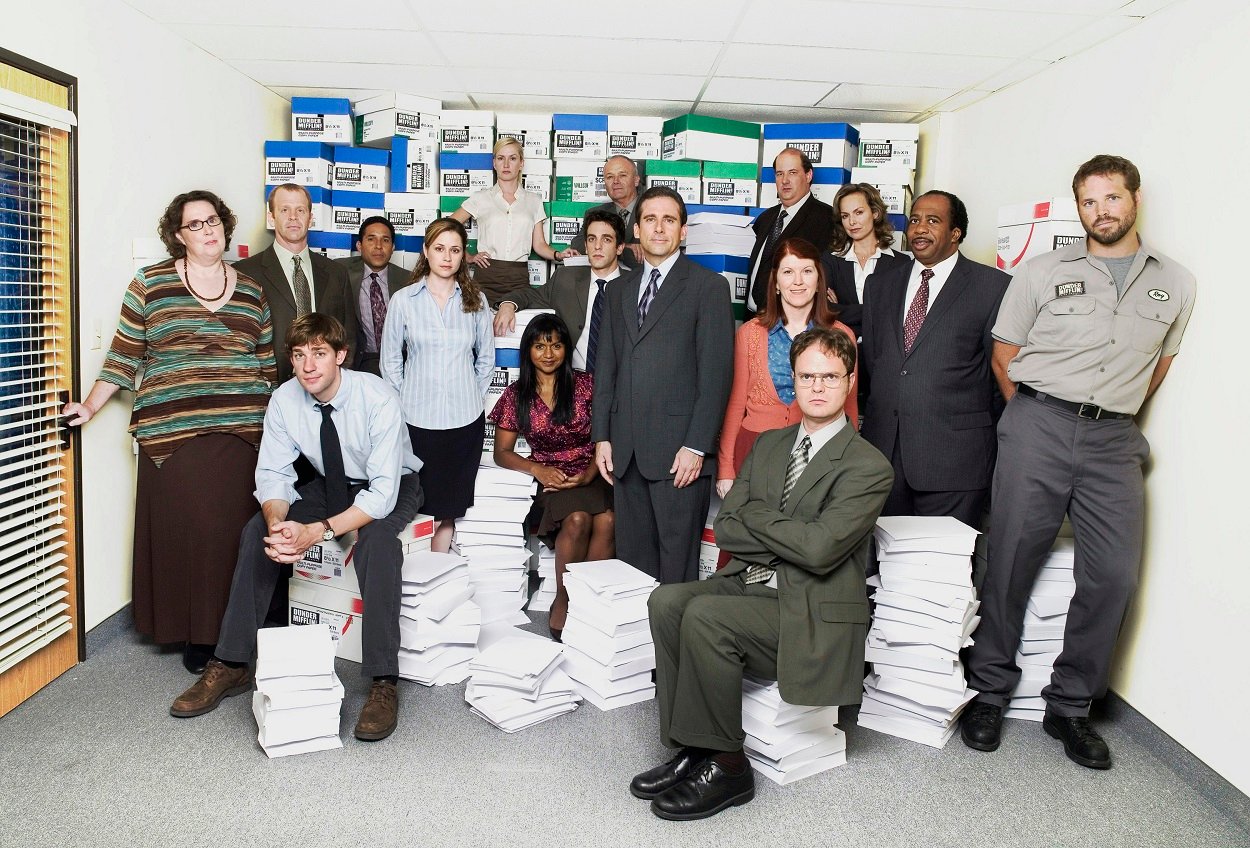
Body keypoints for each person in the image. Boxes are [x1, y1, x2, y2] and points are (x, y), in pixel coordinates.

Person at [961, 155, 1196, 770]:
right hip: (1038, 424)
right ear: (1079, 208)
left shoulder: (1176, 282)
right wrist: (1036, 419)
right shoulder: (1040, 273)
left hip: (1114, 441)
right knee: (1010, 559)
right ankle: (989, 691)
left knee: (1113, 576)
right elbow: (1003, 354)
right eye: (1090, 202)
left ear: (1134, 199)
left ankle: (1069, 707)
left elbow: (1156, 368)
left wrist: (1106, 414)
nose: (1102, 212)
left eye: (1112, 198)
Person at [632, 328, 893, 821]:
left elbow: (819, 551)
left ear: (850, 381)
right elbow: (728, 529)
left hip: (807, 610)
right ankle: (694, 745)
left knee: (708, 615)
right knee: (666, 601)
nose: (817, 386)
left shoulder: (867, 466)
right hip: (749, 587)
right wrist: (783, 530)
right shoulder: (771, 445)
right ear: (792, 382)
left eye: (830, 376)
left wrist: (760, 520)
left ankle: (730, 766)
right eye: (807, 376)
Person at [169, 313, 423, 742]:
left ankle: (383, 683)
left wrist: (317, 531)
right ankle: (230, 663)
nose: (308, 366)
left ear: (341, 356)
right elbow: (272, 474)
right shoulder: (286, 398)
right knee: (256, 532)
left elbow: (380, 495)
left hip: (391, 481)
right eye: (300, 355)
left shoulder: (377, 398)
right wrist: (279, 523)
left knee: (378, 543)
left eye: (320, 354)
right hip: (330, 483)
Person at [63, 191, 277, 674]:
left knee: (233, 533)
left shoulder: (251, 290)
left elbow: (265, 366)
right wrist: (90, 406)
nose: (208, 230)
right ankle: (197, 633)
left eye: (213, 221)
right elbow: (124, 356)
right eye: (195, 224)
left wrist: (283, 427)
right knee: (192, 530)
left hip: (244, 428)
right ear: (178, 236)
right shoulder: (151, 284)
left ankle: (234, 627)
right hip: (172, 429)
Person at [592, 186, 734, 584]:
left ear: (683, 231)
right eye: (650, 219)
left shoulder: (709, 288)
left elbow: (717, 375)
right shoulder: (618, 289)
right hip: (625, 451)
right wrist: (602, 436)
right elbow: (607, 369)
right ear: (636, 229)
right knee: (633, 568)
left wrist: (696, 445)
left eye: (668, 220)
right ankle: (639, 647)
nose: (659, 228)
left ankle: (672, 648)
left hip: (679, 455)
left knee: (676, 570)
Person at [859, 190, 1011, 529]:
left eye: (933, 221)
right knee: (884, 570)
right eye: (914, 220)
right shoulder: (879, 286)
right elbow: (875, 364)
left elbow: (999, 376)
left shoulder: (993, 287)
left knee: (943, 571)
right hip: (884, 457)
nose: (919, 229)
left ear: (956, 233)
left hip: (955, 460)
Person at [489, 314, 614, 641]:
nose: (548, 353)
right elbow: (501, 452)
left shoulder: (586, 384)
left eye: (556, 345)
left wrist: (590, 472)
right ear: (527, 350)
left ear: (566, 349)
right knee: (576, 520)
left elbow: (607, 434)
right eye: (540, 345)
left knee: (608, 522)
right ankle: (565, 597)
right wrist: (537, 470)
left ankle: (589, 603)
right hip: (552, 475)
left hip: (594, 469)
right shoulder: (517, 395)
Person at [381, 217, 493, 553]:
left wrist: (468, 395)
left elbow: (485, 360)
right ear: (426, 251)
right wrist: (404, 403)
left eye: (455, 250)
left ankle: (438, 577)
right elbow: (390, 362)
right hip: (416, 423)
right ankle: (412, 584)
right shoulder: (404, 300)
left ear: (463, 256)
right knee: (414, 506)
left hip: (463, 424)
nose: (447, 256)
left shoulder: (476, 301)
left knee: (448, 510)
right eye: (440, 248)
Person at [716, 237, 859, 499]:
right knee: (750, 534)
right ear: (776, 282)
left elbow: (849, 408)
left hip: (820, 453)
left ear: (819, 280)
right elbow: (736, 404)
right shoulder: (750, 333)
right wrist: (725, 468)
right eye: (788, 272)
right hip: (755, 449)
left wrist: (851, 467)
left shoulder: (842, 336)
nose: (798, 281)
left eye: (806, 271)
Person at [235, 182, 357, 383]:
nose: (293, 216)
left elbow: (348, 335)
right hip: (270, 389)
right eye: (284, 210)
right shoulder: (246, 272)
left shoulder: (337, 272)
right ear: (271, 217)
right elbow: (241, 340)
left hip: (327, 389)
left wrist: (336, 383)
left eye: (300, 210)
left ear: (310, 218)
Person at [492, 208, 626, 373]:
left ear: (619, 247)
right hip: (573, 381)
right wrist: (508, 304)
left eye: (606, 240)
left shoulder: (636, 285)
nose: (597, 246)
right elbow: (530, 295)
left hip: (620, 382)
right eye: (592, 239)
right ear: (585, 245)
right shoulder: (565, 279)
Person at [450, 137, 572, 306]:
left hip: (518, 279)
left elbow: (539, 245)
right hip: (486, 276)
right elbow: (447, 227)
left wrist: (559, 255)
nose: (506, 164)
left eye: (512, 158)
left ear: (521, 163)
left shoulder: (534, 200)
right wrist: (467, 256)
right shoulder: (481, 198)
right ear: (494, 163)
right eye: (501, 158)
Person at [745, 148, 835, 318]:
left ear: (808, 176)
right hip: (753, 319)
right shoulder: (765, 218)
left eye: (792, 172)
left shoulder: (827, 219)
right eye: (779, 174)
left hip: (794, 325)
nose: (785, 180)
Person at [820, 182, 910, 342]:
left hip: (884, 353)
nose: (852, 222)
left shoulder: (901, 263)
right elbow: (824, 310)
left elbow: (898, 316)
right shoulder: (831, 259)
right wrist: (877, 311)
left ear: (875, 213)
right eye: (845, 216)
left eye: (859, 212)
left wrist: (844, 311)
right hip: (842, 350)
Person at [336, 215, 409, 376]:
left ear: (393, 247)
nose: (378, 246)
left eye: (385, 240)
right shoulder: (339, 272)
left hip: (400, 362)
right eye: (371, 239)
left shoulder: (408, 280)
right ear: (359, 246)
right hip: (358, 362)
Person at [567, 155, 643, 267]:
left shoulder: (652, 209)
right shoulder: (596, 213)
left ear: (636, 180)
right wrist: (623, 247)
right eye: (610, 177)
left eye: (622, 175)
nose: (616, 181)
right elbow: (578, 244)